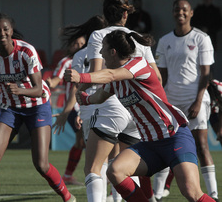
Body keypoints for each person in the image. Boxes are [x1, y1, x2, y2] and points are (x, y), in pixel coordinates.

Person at [64, 29, 215, 202]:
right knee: (115, 171)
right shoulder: (116, 81)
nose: (100, 53)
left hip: (174, 137)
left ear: (113, 52)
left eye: (103, 48)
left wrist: (81, 77)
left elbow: (110, 74)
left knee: (191, 192)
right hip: (150, 144)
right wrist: (85, 99)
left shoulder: (138, 64)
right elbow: (99, 96)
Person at [0, 12, 75, 202]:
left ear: (11, 31)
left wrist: (19, 90)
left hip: (37, 106)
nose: (2, 33)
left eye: (5, 29)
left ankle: (67, 197)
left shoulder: (26, 52)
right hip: (10, 108)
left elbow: (39, 90)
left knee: (41, 164)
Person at [74, 0, 162, 202]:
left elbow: (97, 74)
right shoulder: (136, 38)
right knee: (126, 169)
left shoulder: (98, 35)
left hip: (111, 105)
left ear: (105, 16)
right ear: (125, 15)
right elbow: (156, 76)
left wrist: (81, 91)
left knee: (94, 167)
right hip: (137, 111)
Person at [154, 0, 219, 202]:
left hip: (195, 99)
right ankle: (156, 194)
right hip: (171, 101)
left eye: (184, 9)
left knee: (201, 146)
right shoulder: (164, 41)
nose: (180, 12)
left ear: (191, 13)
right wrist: (160, 101)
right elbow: (161, 76)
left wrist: (199, 101)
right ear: (173, 13)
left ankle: (214, 194)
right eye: (176, 9)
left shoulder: (202, 38)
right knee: (166, 146)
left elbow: (206, 73)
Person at [51, 15, 107, 187]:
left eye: (80, 43)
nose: (78, 46)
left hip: (92, 105)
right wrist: (46, 84)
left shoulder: (103, 53)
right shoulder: (68, 61)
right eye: (75, 43)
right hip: (80, 107)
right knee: (96, 149)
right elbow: (63, 83)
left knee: (91, 147)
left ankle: (71, 175)